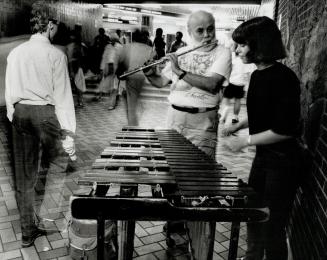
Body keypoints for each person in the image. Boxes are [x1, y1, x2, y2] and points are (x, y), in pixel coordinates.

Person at [144, 10, 231, 258]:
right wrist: (150, 72)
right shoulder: (181, 53)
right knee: (172, 175)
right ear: (190, 31)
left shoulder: (222, 53)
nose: (207, 35)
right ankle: (174, 225)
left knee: (199, 178)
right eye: (200, 30)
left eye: (210, 28)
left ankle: (194, 230)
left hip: (203, 119)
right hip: (175, 118)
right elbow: (162, 83)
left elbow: (213, 84)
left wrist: (179, 70)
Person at [222, 16, 302, 260]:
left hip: (284, 164)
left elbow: (285, 129)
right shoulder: (256, 75)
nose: (236, 50)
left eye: (242, 44)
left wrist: (244, 140)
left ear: (260, 44)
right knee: (254, 215)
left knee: (272, 229)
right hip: (264, 159)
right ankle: (252, 257)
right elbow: (264, 116)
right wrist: (239, 124)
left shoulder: (284, 78)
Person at [5, 10, 76, 248]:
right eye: (55, 27)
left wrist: (13, 115)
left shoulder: (16, 52)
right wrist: (69, 135)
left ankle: (27, 231)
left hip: (20, 113)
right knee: (60, 163)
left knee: (24, 177)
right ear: (50, 26)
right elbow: (63, 97)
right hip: (46, 114)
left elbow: (9, 90)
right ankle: (48, 216)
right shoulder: (55, 54)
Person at [118, 29, 155, 125]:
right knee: (133, 102)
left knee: (131, 105)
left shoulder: (127, 47)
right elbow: (152, 66)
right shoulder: (149, 49)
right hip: (142, 77)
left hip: (130, 76)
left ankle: (132, 126)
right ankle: (133, 121)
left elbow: (121, 61)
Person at [219, 43, 255, 124]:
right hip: (241, 84)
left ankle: (224, 115)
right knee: (237, 101)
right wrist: (247, 87)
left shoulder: (234, 58)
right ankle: (235, 117)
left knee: (226, 100)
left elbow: (227, 69)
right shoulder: (249, 62)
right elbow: (249, 75)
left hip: (231, 82)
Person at [99, 33, 124, 110]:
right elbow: (104, 58)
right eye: (111, 40)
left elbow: (122, 59)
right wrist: (102, 68)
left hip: (116, 69)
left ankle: (112, 104)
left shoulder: (120, 47)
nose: (112, 41)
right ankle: (114, 100)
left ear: (116, 40)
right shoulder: (108, 47)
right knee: (110, 86)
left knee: (115, 86)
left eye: (114, 40)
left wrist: (121, 69)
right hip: (108, 69)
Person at [66, 30, 86, 107]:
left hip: (75, 67)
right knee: (78, 85)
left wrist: (71, 70)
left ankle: (79, 101)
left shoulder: (71, 46)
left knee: (76, 85)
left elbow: (70, 59)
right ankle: (79, 101)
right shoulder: (79, 46)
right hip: (78, 67)